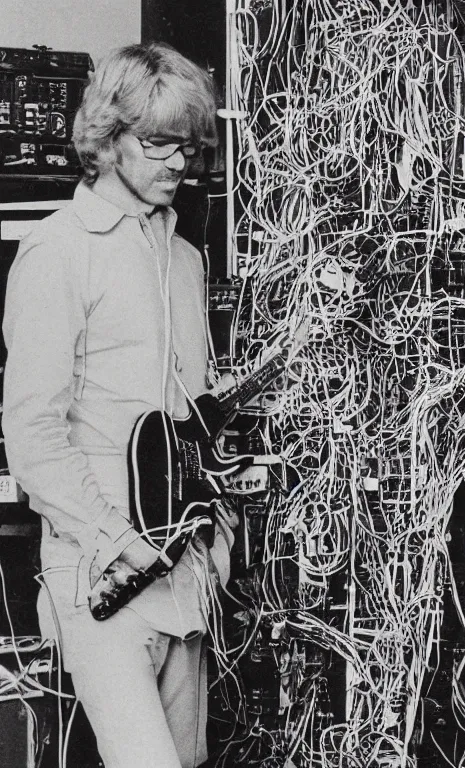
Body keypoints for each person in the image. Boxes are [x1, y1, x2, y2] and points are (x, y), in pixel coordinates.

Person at [2, 43, 235, 768]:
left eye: (188, 148)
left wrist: (217, 536)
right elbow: (31, 431)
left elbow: (188, 423)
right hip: (104, 573)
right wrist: (114, 541)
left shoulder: (185, 259)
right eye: (158, 143)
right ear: (106, 139)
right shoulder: (59, 251)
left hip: (183, 569)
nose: (178, 164)